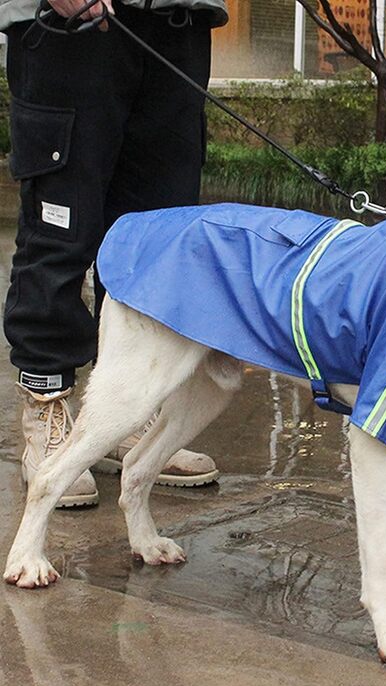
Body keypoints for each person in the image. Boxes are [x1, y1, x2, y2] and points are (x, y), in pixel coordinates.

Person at [0, 0, 228, 506]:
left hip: (178, 23)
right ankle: (46, 404)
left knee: (152, 247)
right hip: (69, 23)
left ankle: (125, 413)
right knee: (61, 233)